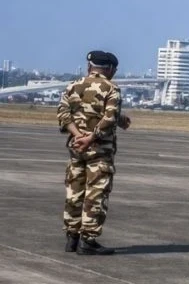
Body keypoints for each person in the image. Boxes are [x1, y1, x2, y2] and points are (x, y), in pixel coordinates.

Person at [57, 50, 130, 255]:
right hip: (99, 150)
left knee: (74, 191)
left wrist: (78, 135)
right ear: (109, 69)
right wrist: (90, 138)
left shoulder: (73, 85)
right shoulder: (111, 88)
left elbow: (63, 114)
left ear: (90, 67)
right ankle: (87, 240)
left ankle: (72, 237)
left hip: (76, 148)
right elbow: (107, 119)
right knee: (96, 194)